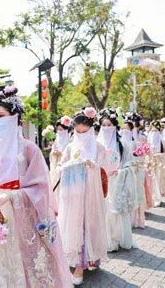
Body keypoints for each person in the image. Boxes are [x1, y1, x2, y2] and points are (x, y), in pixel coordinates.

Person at [0, 85, 72, 287]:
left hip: (20, 215)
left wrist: (10, 196)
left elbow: (40, 187)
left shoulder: (29, 149)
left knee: (23, 263)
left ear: (14, 117)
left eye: (1, 115)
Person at [57, 107, 108, 285]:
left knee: (90, 224)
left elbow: (104, 169)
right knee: (74, 226)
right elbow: (60, 166)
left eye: (84, 131)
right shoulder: (70, 147)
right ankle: (77, 261)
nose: (80, 134)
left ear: (91, 129)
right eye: (77, 132)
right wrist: (70, 164)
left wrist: (92, 165)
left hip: (91, 195)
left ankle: (89, 260)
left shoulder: (99, 147)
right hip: (73, 194)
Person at [97, 108, 137, 252]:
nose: (106, 128)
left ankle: (120, 239)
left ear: (115, 126)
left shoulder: (122, 144)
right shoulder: (96, 144)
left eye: (109, 125)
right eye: (104, 125)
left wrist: (120, 171)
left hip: (117, 181)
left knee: (118, 212)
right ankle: (107, 241)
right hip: (101, 182)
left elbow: (129, 163)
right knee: (104, 211)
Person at [49, 116, 72, 192]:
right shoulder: (56, 140)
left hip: (65, 168)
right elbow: (52, 152)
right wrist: (53, 153)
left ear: (66, 130)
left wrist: (61, 154)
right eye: (58, 130)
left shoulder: (70, 141)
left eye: (61, 130)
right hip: (55, 166)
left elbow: (71, 156)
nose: (59, 132)